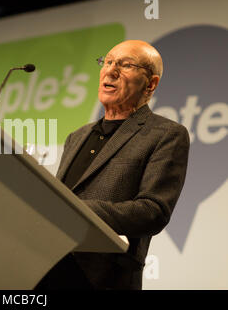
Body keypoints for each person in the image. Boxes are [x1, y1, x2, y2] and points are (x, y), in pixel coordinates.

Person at [35, 40, 190, 290]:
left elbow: (153, 211)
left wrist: (77, 212)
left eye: (126, 64)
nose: (111, 70)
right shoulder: (77, 137)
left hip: (105, 278)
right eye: (107, 62)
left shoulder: (165, 134)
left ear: (151, 84)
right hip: (48, 268)